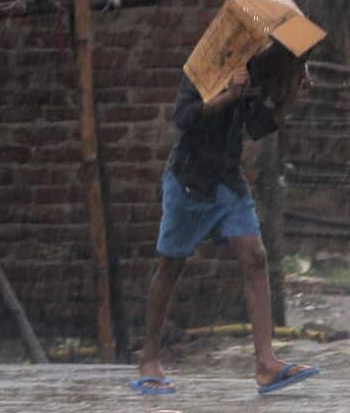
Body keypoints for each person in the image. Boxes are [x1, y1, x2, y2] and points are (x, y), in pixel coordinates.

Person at [129, 46, 317, 396]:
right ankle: (149, 358)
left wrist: (291, 92)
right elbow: (184, 117)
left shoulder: (252, 72)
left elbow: (260, 125)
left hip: (228, 182)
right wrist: (227, 95)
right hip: (190, 181)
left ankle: (266, 363)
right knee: (171, 266)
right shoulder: (200, 67)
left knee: (255, 258)